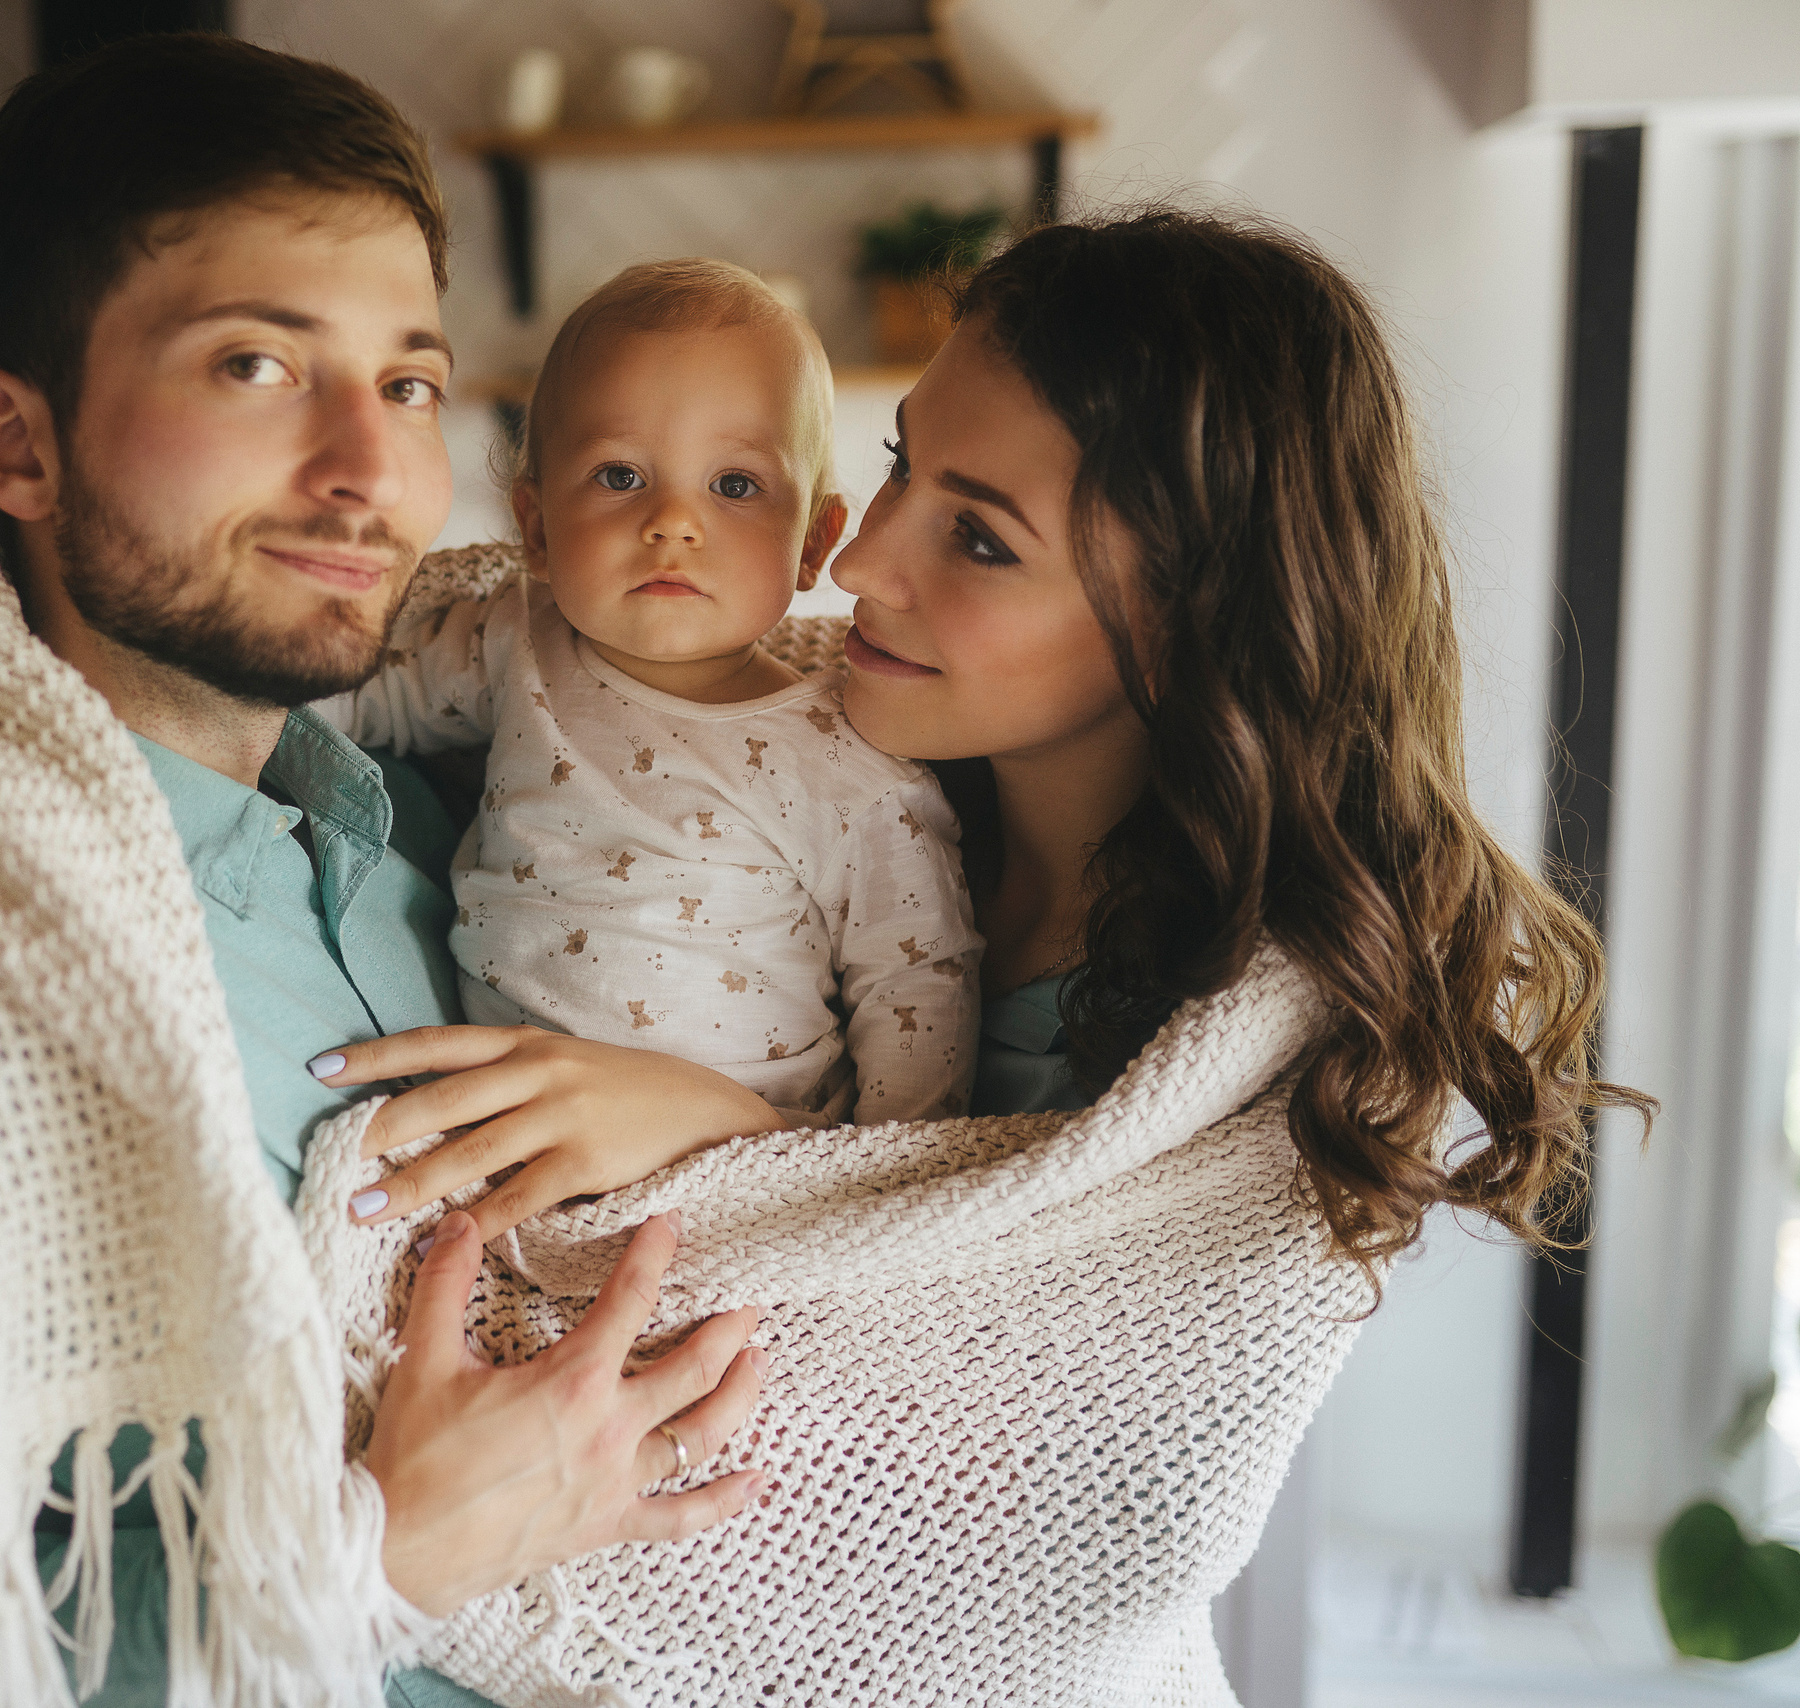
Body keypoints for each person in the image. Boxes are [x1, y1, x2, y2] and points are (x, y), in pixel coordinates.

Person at [0, 36, 776, 1708]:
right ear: (18, 445)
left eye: (410, 382)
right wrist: (385, 1555)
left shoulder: (452, 827)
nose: (369, 468)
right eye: (258, 370)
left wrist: (718, 1114)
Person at [302, 211, 1653, 1702]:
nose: (861, 560)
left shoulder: (1256, 1069)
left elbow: (995, 1513)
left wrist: (727, 1134)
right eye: (896, 468)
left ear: (1188, 622)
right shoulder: (762, 739)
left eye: (980, 535)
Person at [315, 257, 980, 1152]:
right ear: (538, 529)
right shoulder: (515, 638)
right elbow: (349, 696)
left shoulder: (852, 765)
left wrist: (874, 1188)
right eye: (620, 476)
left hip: (741, 1161)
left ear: (814, 542)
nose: (674, 521)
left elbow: (918, 991)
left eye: (735, 485)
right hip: (500, 1129)